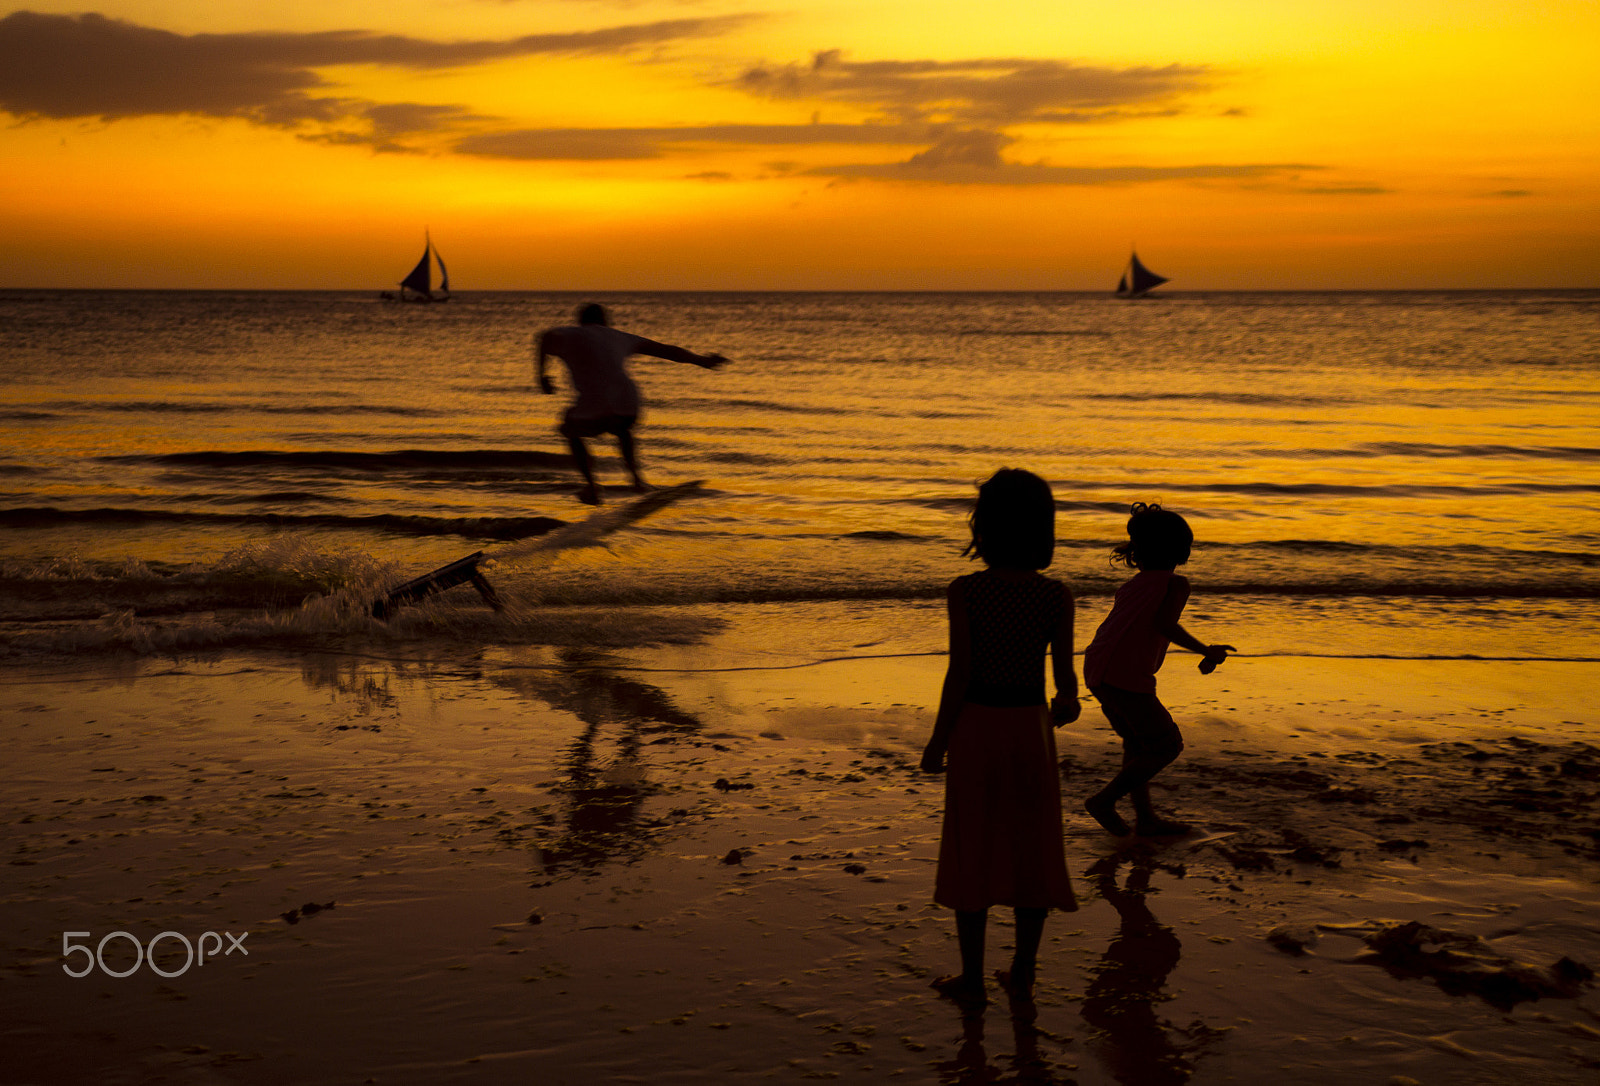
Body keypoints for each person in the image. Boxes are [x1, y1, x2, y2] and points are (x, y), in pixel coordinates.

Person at [920, 468, 1079, 1014]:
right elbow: (1066, 686)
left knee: (975, 844)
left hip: (978, 728)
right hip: (1030, 729)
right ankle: (1025, 971)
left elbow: (959, 674)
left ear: (984, 527)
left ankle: (972, 977)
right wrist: (1065, 705)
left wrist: (938, 740)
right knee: (1031, 843)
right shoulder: (1056, 595)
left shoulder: (965, 591)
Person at [1081, 503, 1235, 838]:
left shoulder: (1134, 583)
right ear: (1179, 549)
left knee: (1136, 744)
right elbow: (1164, 624)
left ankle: (1145, 818)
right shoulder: (1175, 584)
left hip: (1097, 667)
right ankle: (1104, 801)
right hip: (1125, 674)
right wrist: (1206, 650)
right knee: (1166, 746)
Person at [536, 303, 726, 504]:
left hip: (594, 405)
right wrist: (703, 361)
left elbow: (543, 338)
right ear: (606, 322)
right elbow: (667, 351)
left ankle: (592, 488)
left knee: (570, 429)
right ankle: (637, 481)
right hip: (629, 403)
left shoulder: (570, 334)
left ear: (581, 321)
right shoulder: (620, 336)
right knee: (621, 429)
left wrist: (541, 376)